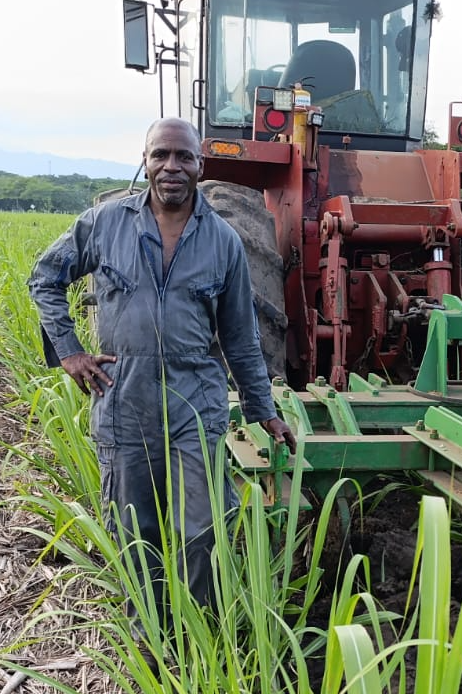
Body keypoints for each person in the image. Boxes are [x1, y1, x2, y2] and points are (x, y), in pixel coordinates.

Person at [28, 118, 295, 630]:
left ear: (200, 165)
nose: (172, 166)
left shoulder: (223, 241)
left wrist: (263, 410)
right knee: (135, 530)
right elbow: (46, 278)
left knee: (203, 527)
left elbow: (241, 336)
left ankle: (198, 637)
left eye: (183, 157)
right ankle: (150, 634)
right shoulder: (104, 224)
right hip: (124, 398)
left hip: (196, 400)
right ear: (146, 161)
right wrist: (69, 352)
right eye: (161, 155)